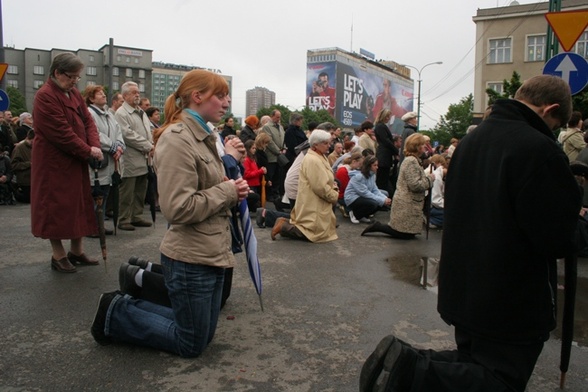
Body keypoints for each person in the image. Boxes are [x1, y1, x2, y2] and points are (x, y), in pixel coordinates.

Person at [360, 75, 582, 392]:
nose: (554, 132)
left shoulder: (472, 141)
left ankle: (404, 362)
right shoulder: (538, 148)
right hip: (508, 294)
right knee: (501, 378)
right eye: (556, 124)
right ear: (551, 109)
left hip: (464, 285)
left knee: (476, 364)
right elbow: (557, 237)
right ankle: (410, 370)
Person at [91, 69, 249, 357]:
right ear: (197, 96)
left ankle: (132, 293)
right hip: (192, 256)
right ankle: (116, 309)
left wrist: (226, 185)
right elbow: (177, 207)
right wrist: (228, 192)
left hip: (209, 249)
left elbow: (201, 185)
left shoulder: (201, 134)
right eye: (220, 95)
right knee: (191, 343)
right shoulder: (178, 138)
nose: (227, 102)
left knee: (203, 334)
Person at [30, 52, 103, 273]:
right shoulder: (45, 96)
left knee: (78, 204)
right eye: (71, 76)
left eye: (77, 77)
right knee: (56, 207)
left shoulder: (73, 93)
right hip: (54, 163)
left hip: (75, 159)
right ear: (57, 73)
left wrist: (95, 145)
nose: (74, 81)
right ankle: (58, 255)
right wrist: (88, 150)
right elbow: (61, 134)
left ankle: (76, 251)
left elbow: (88, 121)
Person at [361, 133, 434, 239]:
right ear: (417, 146)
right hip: (407, 203)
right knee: (404, 234)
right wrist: (430, 179)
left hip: (408, 202)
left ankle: (379, 227)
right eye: (423, 144)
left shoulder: (413, 160)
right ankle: (378, 227)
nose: (425, 147)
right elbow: (415, 185)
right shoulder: (411, 161)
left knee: (408, 233)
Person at [271, 129, 338, 242]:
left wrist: (333, 186)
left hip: (314, 198)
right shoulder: (313, 159)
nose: (329, 146)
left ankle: (284, 225)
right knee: (310, 231)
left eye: (328, 143)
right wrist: (334, 195)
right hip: (313, 199)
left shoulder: (319, 156)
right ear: (315, 145)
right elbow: (319, 186)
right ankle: (284, 226)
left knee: (312, 229)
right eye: (325, 143)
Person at [83, 85, 125, 235]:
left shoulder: (108, 114)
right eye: (99, 94)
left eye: (103, 93)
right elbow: (94, 134)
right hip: (97, 161)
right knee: (96, 193)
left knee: (105, 193)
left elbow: (118, 131)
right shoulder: (89, 114)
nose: (103, 95)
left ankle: (98, 224)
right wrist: (112, 146)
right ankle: (91, 226)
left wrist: (120, 146)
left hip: (110, 161)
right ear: (91, 98)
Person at [115, 81, 154, 231]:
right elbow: (127, 135)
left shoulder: (141, 112)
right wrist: (148, 146)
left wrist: (150, 145)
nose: (137, 94)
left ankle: (136, 216)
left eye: (138, 92)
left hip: (143, 157)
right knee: (127, 190)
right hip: (130, 157)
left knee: (140, 189)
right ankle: (124, 218)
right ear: (124, 96)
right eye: (133, 92)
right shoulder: (121, 113)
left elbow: (147, 131)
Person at [344, 154, 391, 224]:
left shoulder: (372, 175)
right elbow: (365, 193)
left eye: (377, 165)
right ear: (369, 166)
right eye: (374, 165)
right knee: (374, 203)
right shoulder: (359, 177)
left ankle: (364, 214)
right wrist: (382, 200)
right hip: (352, 198)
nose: (377, 167)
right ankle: (355, 214)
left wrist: (384, 198)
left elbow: (375, 189)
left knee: (384, 194)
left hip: (361, 195)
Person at [374, 109, 396, 195]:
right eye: (387, 116)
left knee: (383, 179)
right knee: (382, 181)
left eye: (389, 116)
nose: (388, 118)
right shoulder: (381, 126)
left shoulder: (380, 126)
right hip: (384, 156)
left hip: (385, 156)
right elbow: (386, 141)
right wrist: (395, 150)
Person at [335, 151, 364, 217]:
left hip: (346, 194)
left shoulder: (350, 170)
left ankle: (349, 209)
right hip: (342, 195)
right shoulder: (343, 171)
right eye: (359, 164)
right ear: (354, 162)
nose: (360, 167)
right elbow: (347, 187)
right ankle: (348, 208)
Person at [11, 129, 34, 203]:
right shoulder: (19, 148)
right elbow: (13, 165)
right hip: (25, 181)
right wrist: (28, 164)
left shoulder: (37, 147)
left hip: (35, 179)